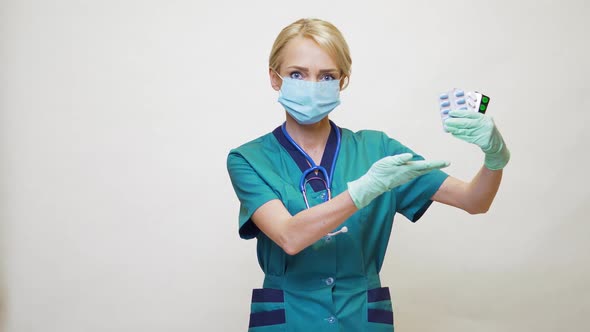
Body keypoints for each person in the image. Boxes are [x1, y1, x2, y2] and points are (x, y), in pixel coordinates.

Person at [226, 18, 510, 331]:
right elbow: (290, 237)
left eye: (326, 76)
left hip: (360, 318)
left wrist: (494, 158)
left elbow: (474, 200)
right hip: (289, 318)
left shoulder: (377, 150)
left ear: (342, 81)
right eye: (297, 74)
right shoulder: (249, 159)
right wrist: (363, 190)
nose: (311, 85)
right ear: (274, 77)